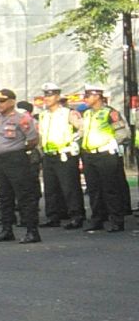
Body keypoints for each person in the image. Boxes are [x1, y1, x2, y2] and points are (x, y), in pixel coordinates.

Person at [0, 89, 42, 243]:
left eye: (2, 101)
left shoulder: (22, 119)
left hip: (16, 160)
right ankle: (6, 229)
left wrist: (17, 150)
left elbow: (32, 140)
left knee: (24, 195)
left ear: (12, 101)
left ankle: (32, 231)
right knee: (4, 196)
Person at [79, 84, 131, 233]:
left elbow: (122, 133)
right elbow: (83, 132)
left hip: (105, 154)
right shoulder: (87, 114)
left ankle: (117, 220)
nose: (85, 99)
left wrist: (113, 144)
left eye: (88, 96)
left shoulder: (110, 113)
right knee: (94, 189)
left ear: (97, 96)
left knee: (110, 189)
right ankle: (97, 219)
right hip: (89, 154)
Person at [36, 83, 85, 229]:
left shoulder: (68, 113)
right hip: (49, 154)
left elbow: (82, 128)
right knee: (50, 188)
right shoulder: (43, 115)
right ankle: (53, 216)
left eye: (50, 95)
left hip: (65, 153)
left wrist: (73, 140)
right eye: (46, 95)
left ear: (57, 97)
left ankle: (76, 215)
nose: (47, 98)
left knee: (70, 187)